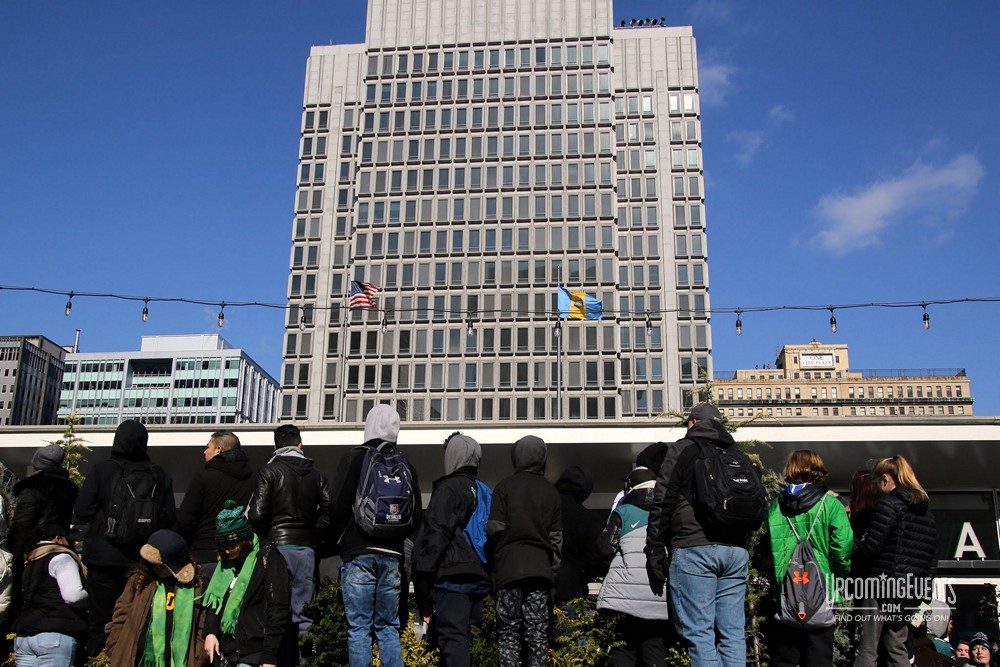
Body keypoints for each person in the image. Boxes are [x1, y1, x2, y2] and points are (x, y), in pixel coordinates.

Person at [645, 402, 755, 667]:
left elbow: (664, 498)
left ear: (692, 423)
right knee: (732, 635)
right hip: (735, 551)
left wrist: (655, 547)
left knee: (700, 634)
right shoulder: (738, 454)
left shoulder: (684, 448)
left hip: (694, 548)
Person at [329, 404, 422, 667]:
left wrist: (341, 538)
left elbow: (336, 506)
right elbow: (416, 516)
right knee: (388, 627)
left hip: (358, 553)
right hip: (392, 556)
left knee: (359, 629)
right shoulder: (406, 464)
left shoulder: (354, 458)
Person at [74, 419, 176, 657]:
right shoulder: (159, 475)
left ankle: (99, 659)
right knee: (136, 619)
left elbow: (81, 511)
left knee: (101, 620)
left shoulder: (103, 470)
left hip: (103, 558)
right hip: (141, 561)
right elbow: (170, 519)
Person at [248, 423, 331, 663]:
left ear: (275, 446)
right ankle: (307, 660)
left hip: (276, 549)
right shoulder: (318, 476)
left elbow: (256, 514)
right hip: (306, 550)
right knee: (304, 614)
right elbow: (329, 513)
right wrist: (312, 528)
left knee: (275, 612)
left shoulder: (269, 471)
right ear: (300, 445)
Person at [766, 450, 853, 666]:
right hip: (822, 589)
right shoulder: (831, 505)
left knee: (784, 657)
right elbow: (843, 548)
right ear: (817, 469)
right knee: (819, 655)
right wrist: (840, 577)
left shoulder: (776, 506)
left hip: (786, 590)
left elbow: (768, 548)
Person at [412, 433, 492, 667]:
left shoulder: (449, 489)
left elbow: (435, 536)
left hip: (452, 577)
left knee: (452, 639)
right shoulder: (485, 491)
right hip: (479, 576)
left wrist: (423, 584)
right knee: (447, 640)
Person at [854, 456, 937, 667]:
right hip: (909, 591)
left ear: (886, 478)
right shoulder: (927, 512)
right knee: (896, 645)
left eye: (875, 482)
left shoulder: (888, 504)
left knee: (867, 647)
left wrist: (855, 569)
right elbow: (932, 558)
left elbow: (871, 547)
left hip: (881, 586)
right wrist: (923, 592)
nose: (875, 488)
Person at [486, 435, 562, 667]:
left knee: (509, 632)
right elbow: (556, 540)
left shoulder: (504, 487)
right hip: (540, 571)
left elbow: (493, 529)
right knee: (537, 634)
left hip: (509, 569)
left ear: (516, 457)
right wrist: (552, 572)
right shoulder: (552, 492)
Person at [595, 468, 671, 667]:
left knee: (623, 651)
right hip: (660, 598)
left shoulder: (624, 511)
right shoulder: (668, 513)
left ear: (630, 488)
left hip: (624, 599)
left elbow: (604, 549)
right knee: (655, 650)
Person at [204, 501, 291, 667]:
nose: (227, 551)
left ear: (245, 539)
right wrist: (210, 633)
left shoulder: (269, 559)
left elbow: (278, 609)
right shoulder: (227, 563)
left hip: (254, 653)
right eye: (223, 547)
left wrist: (269, 656)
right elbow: (215, 602)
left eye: (232, 545)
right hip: (226, 653)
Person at [105, 528, 204, 667]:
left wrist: (198, 657)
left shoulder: (196, 588)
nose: (155, 569)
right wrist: (115, 647)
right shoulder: (141, 581)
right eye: (152, 565)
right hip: (134, 661)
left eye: (161, 567)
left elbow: (201, 627)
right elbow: (120, 615)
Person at [176, 430, 255, 581]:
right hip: (241, 557)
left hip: (205, 554)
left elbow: (185, 520)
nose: (204, 452)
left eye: (208, 447)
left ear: (218, 450)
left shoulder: (203, 478)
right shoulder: (252, 479)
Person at [12, 524, 87, 667]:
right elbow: (73, 596)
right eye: (68, 540)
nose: (71, 544)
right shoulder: (62, 557)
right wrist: (93, 601)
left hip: (25, 635)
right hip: (55, 634)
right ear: (57, 538)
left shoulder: (31, 561)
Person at [553, 465, 602, 605]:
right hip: (570, 586)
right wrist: (582, 575)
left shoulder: (542, 508)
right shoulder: (587, 518)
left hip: (537, 584)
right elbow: (594, 558)